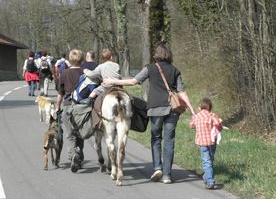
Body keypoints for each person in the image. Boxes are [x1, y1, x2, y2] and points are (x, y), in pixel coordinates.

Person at [103, 42, 195, 184]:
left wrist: (112, 81)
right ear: (169, 54)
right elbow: (182, 91)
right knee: (169, 140)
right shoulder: (175, 70)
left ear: (156, 55)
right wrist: (192, 110)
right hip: (172, 110)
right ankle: (167, 176)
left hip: (155, 108)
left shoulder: (150, 68)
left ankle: (157, 168)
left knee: (156, 138)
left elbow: (134, 81)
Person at [55, 49, 84, 173]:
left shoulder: (65, 73)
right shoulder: (85, 72)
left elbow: (60, 93)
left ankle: (73, 156)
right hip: (83, 106)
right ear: (81, 59)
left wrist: (57, 107)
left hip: (68, 105)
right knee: (81, 133)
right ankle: (79, 155)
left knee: (70, 133)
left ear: (70, 60)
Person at [188, 97, 223, 190]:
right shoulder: (212, 115)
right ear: (210, 107)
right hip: (212, 142)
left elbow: (191, 126)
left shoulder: (197, 116)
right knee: (210, 160)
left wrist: (193, 118)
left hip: (202, 142)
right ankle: (209, 180)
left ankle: (208, 179)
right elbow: (218, 125)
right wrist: (219, 126)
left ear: (201, 107)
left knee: (206, 161)